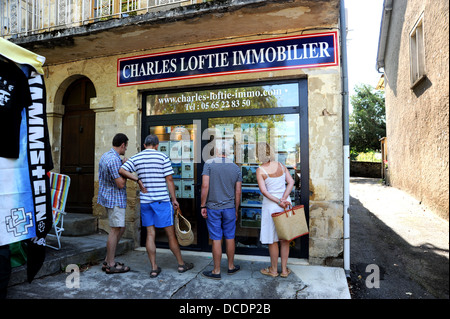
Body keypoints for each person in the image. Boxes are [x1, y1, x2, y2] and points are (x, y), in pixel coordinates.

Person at [119, 134, 193, 278]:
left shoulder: (136, 157)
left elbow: (122, 170)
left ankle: (154, 268)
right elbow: (169, 179)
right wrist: (174, 199)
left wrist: (137, 179)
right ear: (157, 145)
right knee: (171, 234)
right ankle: (181, 264)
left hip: (146, 202)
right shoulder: (162, 157)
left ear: (145, 145)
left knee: (150, 234)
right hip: (162, 201)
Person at [98, 133, 140, 274]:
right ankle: (110, 264)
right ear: (122, 145)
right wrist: (125, 169)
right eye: (126, 147)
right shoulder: (115, 160)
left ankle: (107, 259)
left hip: (108, 197)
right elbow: (121, 184)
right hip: (114, 198)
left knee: (119, 228)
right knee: (115, 230)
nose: (125, 149)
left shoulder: (106, 155)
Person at [200, 139, 242, 280]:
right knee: (230, 236)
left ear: (217, 151)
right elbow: (238, 192)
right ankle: (231, 266)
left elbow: (205, 187)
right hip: (229, 208)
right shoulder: (236, 168)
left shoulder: (209, 164)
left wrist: (202, 205)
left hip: (213, 208)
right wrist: (236, 209)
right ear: (228, 152)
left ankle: (216, 270)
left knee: (216, 238)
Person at [256, 142, 295, 278]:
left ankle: (273, 270)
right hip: (286, 204)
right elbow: (291, 182)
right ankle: (284, 270)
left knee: (273, 240)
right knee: (285, 238)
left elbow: (264, 191)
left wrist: (278, 201)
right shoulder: (281, 165)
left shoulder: (260, 170)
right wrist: (284, 198)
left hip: (271, 206)